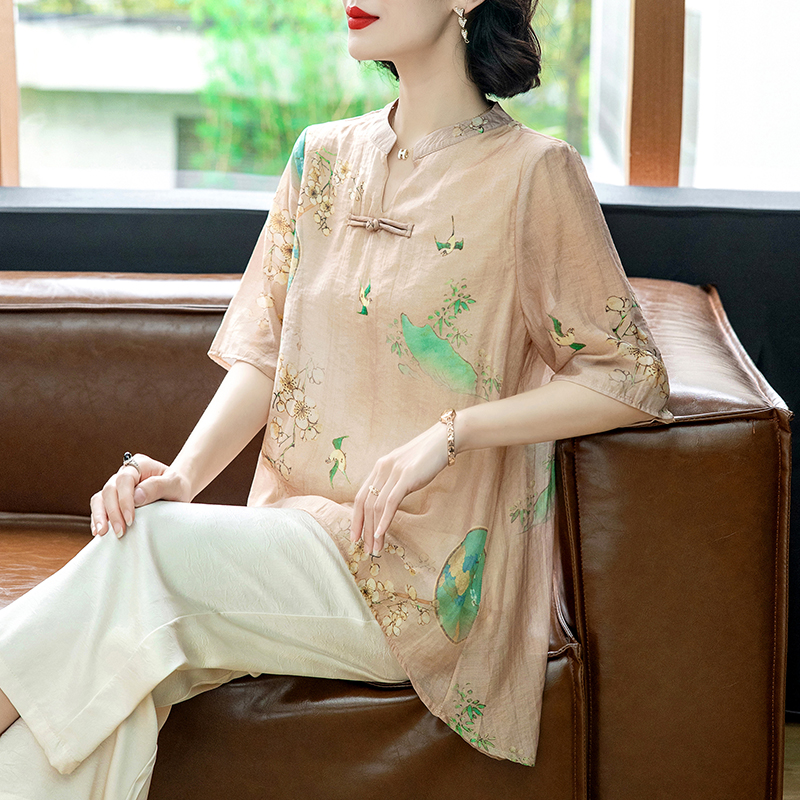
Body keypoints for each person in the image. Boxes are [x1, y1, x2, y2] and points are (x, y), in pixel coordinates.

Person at [0, 0, 674, 795]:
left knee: (144, 554)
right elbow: (264, 354)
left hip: (417, 578)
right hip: (294, 537)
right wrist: (181, 477)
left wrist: (452, 433)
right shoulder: (319, 157)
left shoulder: (533, 174)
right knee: (118, 679)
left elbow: (628, 375)